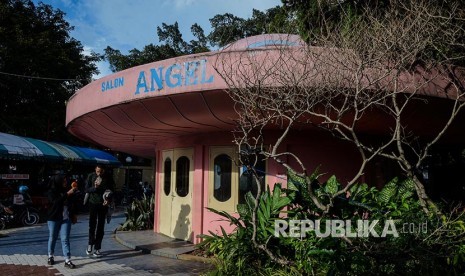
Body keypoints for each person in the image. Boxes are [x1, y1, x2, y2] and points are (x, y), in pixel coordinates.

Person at [46, 174, 78, 269]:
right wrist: (67, 194)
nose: (65, 182)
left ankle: (67, 260)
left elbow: (72, 204)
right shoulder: (51, 191)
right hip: (53, 218)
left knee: (65, 239)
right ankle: (50, 256)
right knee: (53, 237)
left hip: (65, 218)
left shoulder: (67, 190)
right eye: (63, 181)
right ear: (58, 181)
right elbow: (55, 202)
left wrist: (73, 215)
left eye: (65, 180)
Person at [85, 165, 114, 257]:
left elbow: (112, 190)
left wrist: (108, 199)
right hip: (92, 203)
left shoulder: (108, 177)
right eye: (97, 171)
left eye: (101, 172)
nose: (99, 173)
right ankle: (90, 244)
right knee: (92, 225)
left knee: (101, 226)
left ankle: (97, 248)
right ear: (95, 169)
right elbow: (86, 189)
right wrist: (95, 188)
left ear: (103, 171)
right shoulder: (91, 176)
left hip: (103, 204)